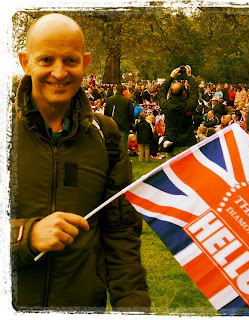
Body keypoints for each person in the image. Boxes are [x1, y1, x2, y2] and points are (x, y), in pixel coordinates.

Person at [10, 13, 150, 312]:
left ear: (85, 63)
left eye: (70, 61)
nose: (59, 73)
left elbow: (121, 235)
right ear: (25, 62)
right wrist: (25, 236)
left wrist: (135, 308)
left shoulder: (106, 135)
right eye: (46, 60)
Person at [157, 65, 198, 147]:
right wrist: (189, 76)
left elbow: (161, 92)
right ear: (183, 92)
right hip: (187, 142)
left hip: (171, 142)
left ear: (170, 93)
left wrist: (171, 77)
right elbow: (194, 91)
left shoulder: (166, 105)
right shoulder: (189, 105)